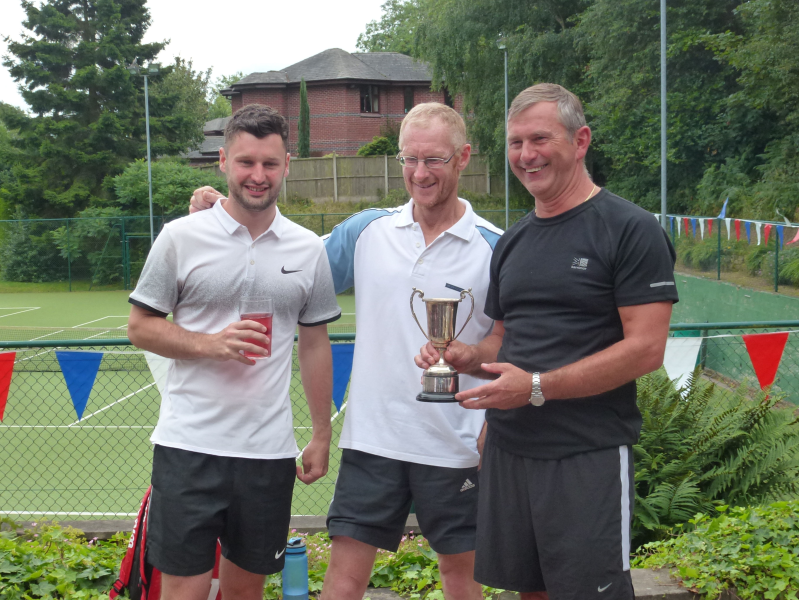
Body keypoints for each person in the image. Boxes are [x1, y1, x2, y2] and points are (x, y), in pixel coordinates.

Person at [189, 102, 502, 600]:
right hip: (372, 441)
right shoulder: (366, 232)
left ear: (463, 158)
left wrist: (492, 423)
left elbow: (509, 343)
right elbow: (288, 262)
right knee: (343, 582)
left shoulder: (494, 247)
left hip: (456, 445)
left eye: (435, 160)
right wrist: (223, 217)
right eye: (409, 159)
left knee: (460, 580)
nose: (419, 173)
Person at [416, 83, 679, 600]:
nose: (526, 155)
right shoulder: (514, 239)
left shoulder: (630, 229)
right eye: (515, 143)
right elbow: (501, 340)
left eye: (540, 139)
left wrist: (536, 387)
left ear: (580, 141)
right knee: (528, 592)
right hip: (511, 452)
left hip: (587, 455)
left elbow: (647, 348)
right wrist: (467, 357)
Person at [128, 104, 341, 600]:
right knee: (184, 588)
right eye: (246, 162)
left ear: (287, 164)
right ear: (223, 161)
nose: (258, 175)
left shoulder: (307, 249)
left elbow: (313, 343)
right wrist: (209, 344)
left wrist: (322, 435)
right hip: (189, 446)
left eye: (269, 164)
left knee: (246, 591)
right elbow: (140, 327)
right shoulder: (180, 236)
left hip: (267, 453)